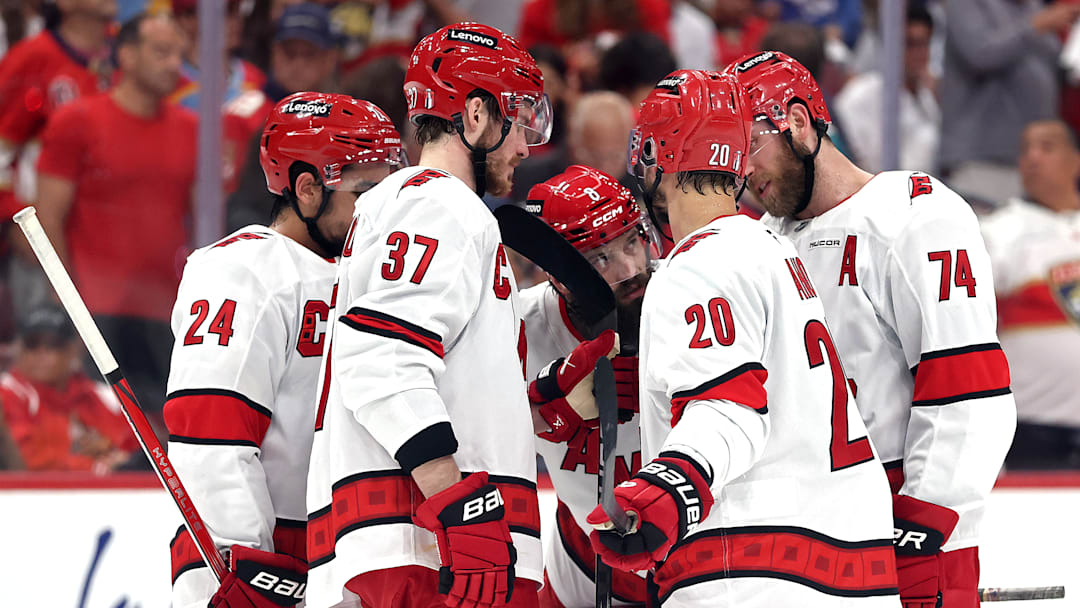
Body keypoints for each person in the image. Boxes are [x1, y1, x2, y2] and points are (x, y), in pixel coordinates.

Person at [587, 69, 898, 607]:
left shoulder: (700, 262)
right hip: (850, 566)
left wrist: (670, 489)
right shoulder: (771, 249)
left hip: (756, 570)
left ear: (658, 152)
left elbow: (729, 408)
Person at [729, 51, 1016, 607]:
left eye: (750, 147)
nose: (744, 173)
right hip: (803, 531)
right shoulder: (757, 243)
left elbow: (968, 389)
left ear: (797, 121)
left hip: (903, 522)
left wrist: (925, 522)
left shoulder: (915, 213)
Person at [305, 22, 552, 608]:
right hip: (431, 550)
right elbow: (384, 360)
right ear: (475, 115)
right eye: (519, 120)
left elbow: (455, 372)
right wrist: (459, 508)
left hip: (414, 544)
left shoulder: (414, 203)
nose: (525, 147)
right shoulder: (440, 204)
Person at [165, 92, 403, 608]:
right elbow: (211, 436)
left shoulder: (372, 274)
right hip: (255, 562)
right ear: (308, 189)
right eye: (365, 193)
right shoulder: (243, 272)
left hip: (342, 553)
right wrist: (243, 559)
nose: (380, 213)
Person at [25, 12, 195, 439]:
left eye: (179, 54)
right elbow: (48, 218)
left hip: (168, 312)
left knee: (172, 437)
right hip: (95, 312)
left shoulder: (192, 130)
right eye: (162, 52)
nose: (174, 64)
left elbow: (201, 221)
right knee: (101, 439)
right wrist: (67, 304)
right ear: (127, 55)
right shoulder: (77, 121)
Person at [521, 165, 652, 606]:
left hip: (695, 565)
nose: (630, 269)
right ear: (558, 275)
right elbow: (454, 432)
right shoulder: (515, 325)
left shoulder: (690, 296)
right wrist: (547, 413)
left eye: (631, 242)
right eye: (600, 258)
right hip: (580, 569)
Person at [980, 120, 1080, 469]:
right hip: (1032, 423)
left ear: (1076, 160)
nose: (1033, 157)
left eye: (1047, 147)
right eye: (1025, 150)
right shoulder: (998, 230)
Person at [939, 0, 1080, 205]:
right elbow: (980, 54)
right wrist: (1036, 25)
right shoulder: (968, 4)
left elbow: (1055, 61)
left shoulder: (1033, 6)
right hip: (982, 161)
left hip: (1031, 165)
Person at [0, 0, 113, 221]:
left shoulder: (129, 57)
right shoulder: (32, 57)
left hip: (106, 225)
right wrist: (15, 222)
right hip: (42, 224)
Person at [0, 307, 136, 472]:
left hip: (109, 485)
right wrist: (97, 466)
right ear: (19, 350)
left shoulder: (101, 395)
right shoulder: (8, 393)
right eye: (32, 344)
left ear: (72, 350)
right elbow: (30, 463)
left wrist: (113, 453)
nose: (41, 354)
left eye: (53, 345)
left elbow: (135, 447)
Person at [833, 6, 939, 173]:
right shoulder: (860, 95)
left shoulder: (927, 97)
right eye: (910, 44)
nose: (919, 53)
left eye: (924, 44)